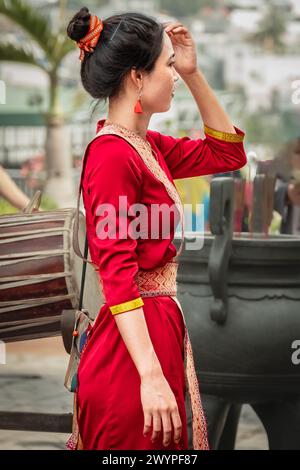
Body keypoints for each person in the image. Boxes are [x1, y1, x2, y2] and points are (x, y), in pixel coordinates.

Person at [66, 8, 247, 451]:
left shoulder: (147, 147)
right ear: (137, 78)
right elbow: (117, 274)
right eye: (169, 65)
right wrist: (150, 376)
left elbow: (228, 155)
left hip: (155, 333)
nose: (176, 77)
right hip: (131, 359)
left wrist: (194, 71)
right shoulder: (113, 155)